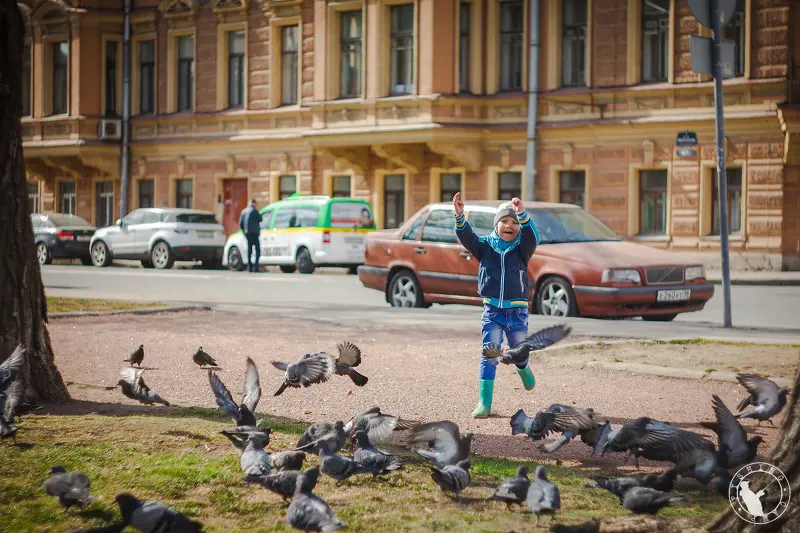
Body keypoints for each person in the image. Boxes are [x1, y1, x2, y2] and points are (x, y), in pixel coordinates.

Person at [453, 192, 541, 418]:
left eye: (514, 222)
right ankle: (485, 402)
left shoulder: (523, 248)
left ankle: (523, 367)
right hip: (492, 311)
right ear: (496, 224)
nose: (509, 225)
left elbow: (533, 237)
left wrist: (522, 213)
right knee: (490, 354)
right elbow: (467, 237)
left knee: (518, 351)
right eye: (504, 221)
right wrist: (460, 216)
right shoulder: (485, 246)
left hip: (517, 312)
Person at [239, 199, 262, 273]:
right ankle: (256, 267)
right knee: (257, 250)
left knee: (249, 250)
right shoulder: (254, 211)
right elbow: (260, 219)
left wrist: (244, 231)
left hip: (247, 233)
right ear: (254, 203)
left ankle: (250, 267)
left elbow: (241, 224)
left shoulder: (243, 211)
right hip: (254, 233)